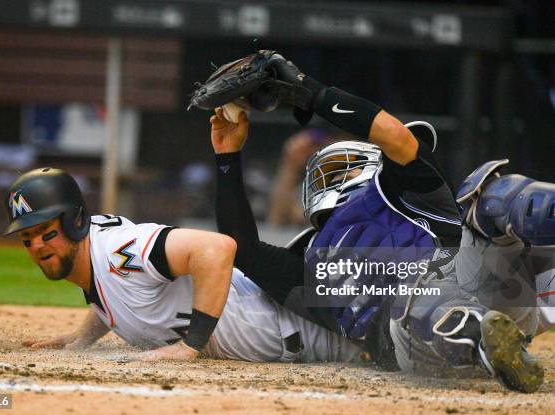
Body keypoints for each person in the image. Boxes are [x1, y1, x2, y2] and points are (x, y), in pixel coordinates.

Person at [208, 51, 546, 391]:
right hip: (414, 339)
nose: (343, 170)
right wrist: (227, 154)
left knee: (495, 195)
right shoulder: (309, 261)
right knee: (416, 296)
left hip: (482, 283)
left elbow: (395, 136)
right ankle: (488, 342)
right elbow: (242, 249)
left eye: (348, 163)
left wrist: (308, 91)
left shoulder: (405, 193)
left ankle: (491, 336)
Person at [5, 167, 362, 363]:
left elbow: (217, 248)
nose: (37, 246)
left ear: (75, 222)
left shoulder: (117, 251)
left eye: (46, 233)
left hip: (320, 335)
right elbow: (116, 291)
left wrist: (190, 346)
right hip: (287, 331)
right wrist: (80, 339)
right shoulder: (95, 257)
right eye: (27, 238)